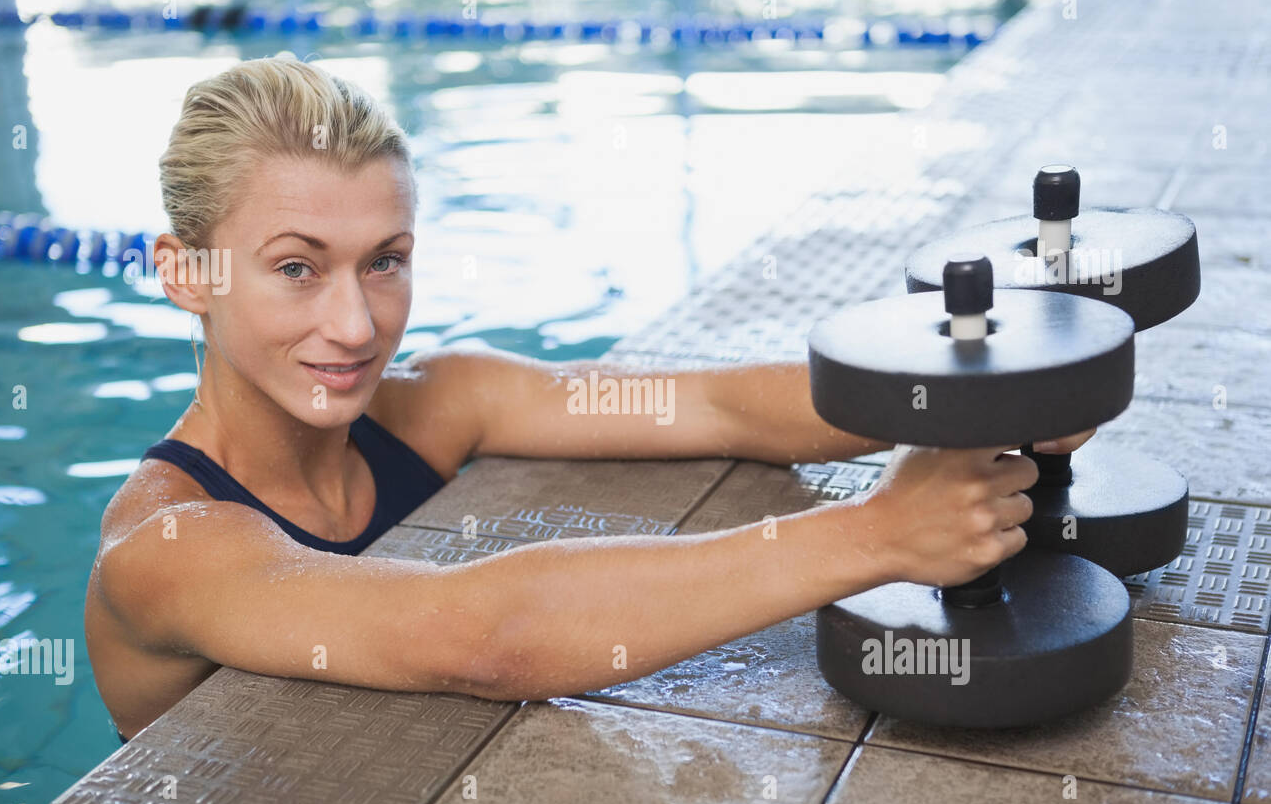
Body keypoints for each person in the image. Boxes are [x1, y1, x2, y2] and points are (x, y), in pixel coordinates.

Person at [86, 56, 1094, 743]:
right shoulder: (165, 549)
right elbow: (479, 638)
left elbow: (713, 408)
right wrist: (876, 535)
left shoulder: (434, 400)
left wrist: (972, 397)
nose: (355, 324)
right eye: (297, 268)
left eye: (384, 261)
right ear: (188, 272)